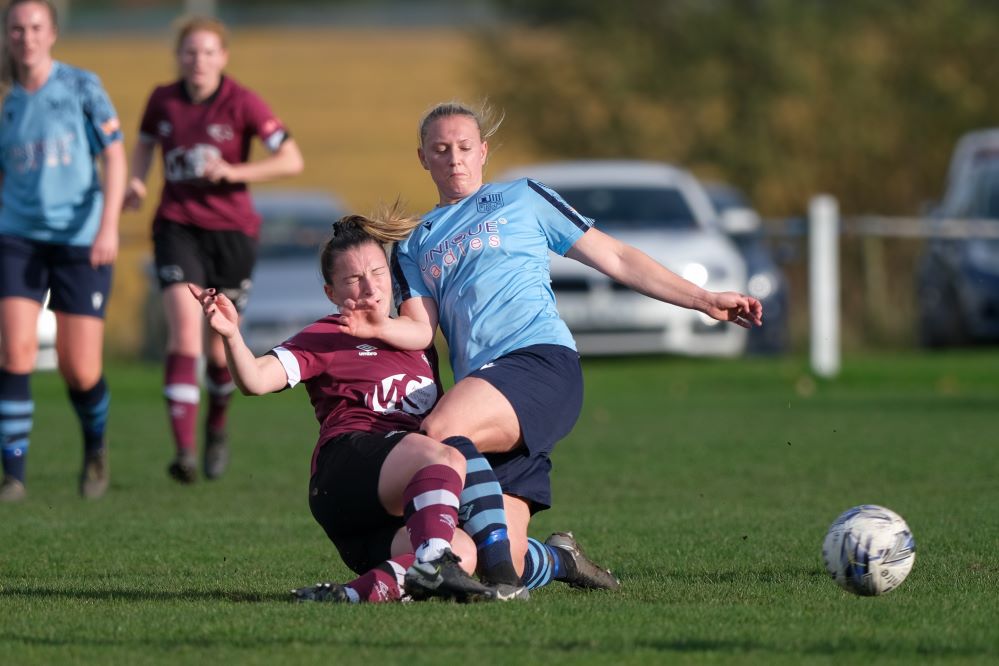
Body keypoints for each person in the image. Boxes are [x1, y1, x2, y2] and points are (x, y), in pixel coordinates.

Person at [337, 101, 764, 589]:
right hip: (485, 396)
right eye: (440, 149)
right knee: (497, 557)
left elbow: (617, 258)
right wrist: (373, 326)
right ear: (423, 159)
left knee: (439, 428)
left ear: (484, 152)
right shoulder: (415, 243)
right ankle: (560, 561)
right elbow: (417, 330)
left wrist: (703, 298)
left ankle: (485, 580)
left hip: (539, 363)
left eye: (464, 147)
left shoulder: (522, 198)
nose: (454, 158)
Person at [190, 211, 513, 603]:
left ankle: (348, 595)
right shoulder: (327, 335)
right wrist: (230, 334)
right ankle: (433, 560)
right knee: (442, 453)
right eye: (353, 279)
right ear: (331, 293)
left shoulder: (414, 338)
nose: (369, 287)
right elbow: (255, 380)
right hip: (345, 475)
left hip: (388, 511)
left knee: (462, 552)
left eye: (377, 273)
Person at [123, 16, 304, 485]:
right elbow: (144, 144)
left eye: (207, 52)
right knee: (185, 332)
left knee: (219, 348)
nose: (197, 60)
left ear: (222, 57)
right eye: (189, 52)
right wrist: (138, 181)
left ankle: (216, 428)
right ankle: (183, 451)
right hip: (177, 228)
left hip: (233, 236)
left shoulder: (241, 102)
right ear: (178, 56)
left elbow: (291, 158)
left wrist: (233, 172)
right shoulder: (162, 99)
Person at [0, 0, 126, 502]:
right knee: (15, 352)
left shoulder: (81, 86)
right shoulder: (6, 97)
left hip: (81, 239)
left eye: (35, 27)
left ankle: (95, 448)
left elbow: (113, 158)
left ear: (51, 33)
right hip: (18, 237)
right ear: (7, 35)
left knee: (80, 369)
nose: (25, 37)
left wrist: (108, 226)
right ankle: (14, 474)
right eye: (16, 28)